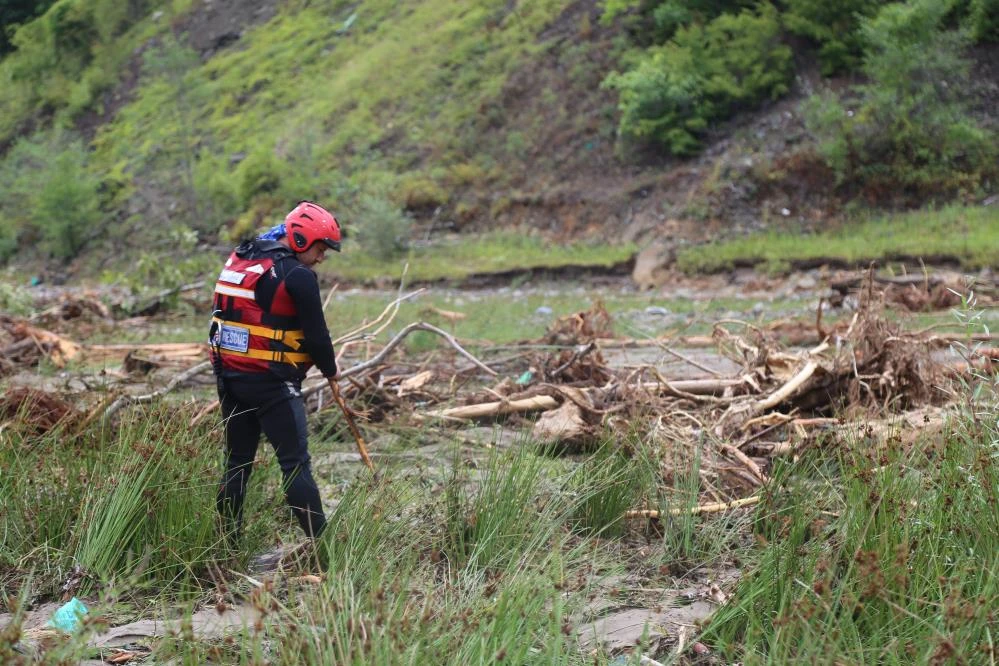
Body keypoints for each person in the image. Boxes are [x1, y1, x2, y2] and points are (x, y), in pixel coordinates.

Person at [209, 201, 341, 544]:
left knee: (236, 463)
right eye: (320, 248)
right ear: (300, 239)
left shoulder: (244, 256)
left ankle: (227, 546)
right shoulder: (298, 275)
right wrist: (332, 372)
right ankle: (323, 549)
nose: (322, 257)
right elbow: (317, 336)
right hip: (272, 384)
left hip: (230, 379)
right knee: (295, 464)